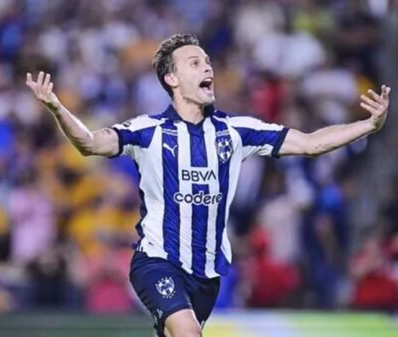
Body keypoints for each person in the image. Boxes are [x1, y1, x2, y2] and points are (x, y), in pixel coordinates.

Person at [25, 33, 391, 337]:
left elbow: (310, 143)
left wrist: (367, 126)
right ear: (172, 79)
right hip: (157, 262)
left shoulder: (235, 132)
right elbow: (90, 142)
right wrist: (57, 107)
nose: (207, 67)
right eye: (195, 63)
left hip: (207, 275)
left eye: (207, 61)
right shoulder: (148, 131)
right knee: (189, 334)